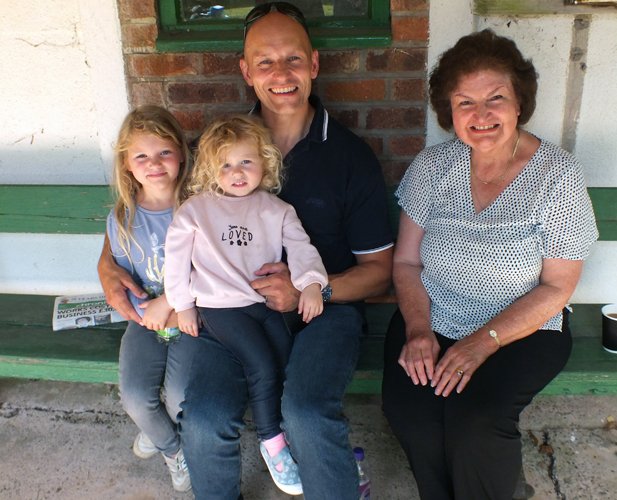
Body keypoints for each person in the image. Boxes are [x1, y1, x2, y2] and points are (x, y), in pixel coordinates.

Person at [97, 3, 394, 499]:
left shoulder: (350, 156)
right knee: (205, 417)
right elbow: (154, 207)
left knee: (304, 412)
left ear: (314, 64)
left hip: (327, 309)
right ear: (246, 71)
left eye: (293, 59)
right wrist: (108, 263)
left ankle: (335, 479)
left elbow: (380, 272)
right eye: (265, 62)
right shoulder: (221, 146)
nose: (281, 74)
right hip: (228, 309)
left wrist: (307, 291)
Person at [382, 30, 599, 500]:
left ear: (519, 103)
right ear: (450, 113)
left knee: (475, 421)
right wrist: (419, 329)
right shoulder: (433, 167)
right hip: (431, 317)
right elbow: (405, 261)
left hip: (524, 331)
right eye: (465, 103)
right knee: (414, 417)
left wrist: (482, 343)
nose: (480, 116)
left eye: (495, 98)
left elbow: (558, 288)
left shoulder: (556, 175)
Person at [164, 116, 328, 495]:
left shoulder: (277, 209)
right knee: (261, 365)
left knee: (286, 361)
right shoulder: (196, 210)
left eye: (246, 162)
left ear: (265, 163)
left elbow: (301, 249)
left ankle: (289, 433)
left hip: (264, 304)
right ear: (210, 170)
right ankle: (272, 443)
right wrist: (183, 305)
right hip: (221, 309)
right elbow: (174, 260)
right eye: (225, 164)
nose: (236, 172)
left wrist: (312, 284)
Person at [104, 105, 196, 492]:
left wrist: (173, 305)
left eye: (163, 152)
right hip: (145, 319)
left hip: (193, 316)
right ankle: (171, 447)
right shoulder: (122, 217)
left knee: (179, 399)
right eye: (141, 155)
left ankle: (159, 430)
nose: (154, 163)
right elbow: (126, 277)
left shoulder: (198, 207)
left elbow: (214, 269)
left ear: (180, 153)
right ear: (126, 163)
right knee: (137, 398)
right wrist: (143, 309)